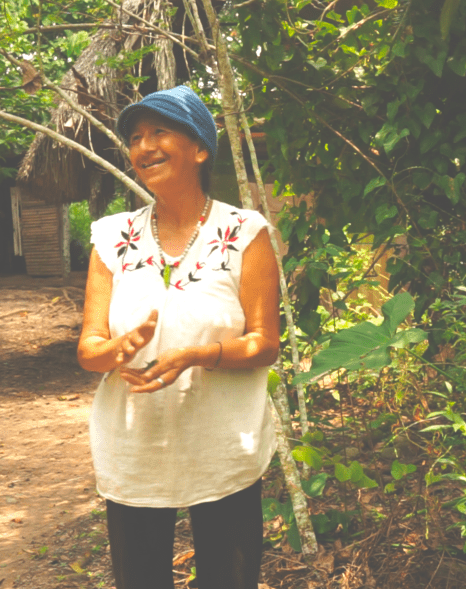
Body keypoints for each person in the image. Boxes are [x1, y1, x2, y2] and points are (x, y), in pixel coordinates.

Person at [77, 85, 280, 589]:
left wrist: (196, 355)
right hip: (135, 447)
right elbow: (89, 349)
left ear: (200, 149)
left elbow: (264, 343)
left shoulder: (244, 232)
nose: (144, 146)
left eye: (159, 131)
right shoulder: (112, 237)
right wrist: (117, 349)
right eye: (135, 138)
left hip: (223, 446)